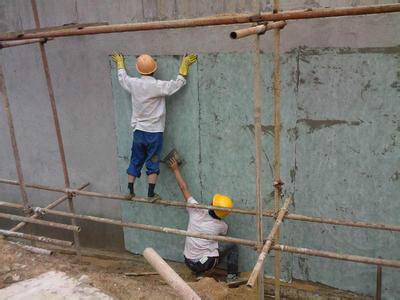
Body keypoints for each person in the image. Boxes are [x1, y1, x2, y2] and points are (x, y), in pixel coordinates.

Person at [111, 52, 197, 199]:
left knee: (135, 159)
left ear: (139, 70)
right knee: (153, 160)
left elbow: (123, 79)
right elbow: (176, 84)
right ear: (154, 70)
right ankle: (151, 194)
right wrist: (184, 66)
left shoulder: (134, 83)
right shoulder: (157, 86)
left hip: (139, 131)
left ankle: (130, 191)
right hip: (154, 133)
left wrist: (120, 64)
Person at [166, 156, 240, 283]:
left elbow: (183, 188)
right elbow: (224, 233)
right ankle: (231, 277)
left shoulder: (196, 210)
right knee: (232, 245)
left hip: (188, 261)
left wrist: (175, 169)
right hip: (206, 263)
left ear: (212, 205)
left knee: (209, 245)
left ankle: (199, 273)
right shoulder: (221, 226)